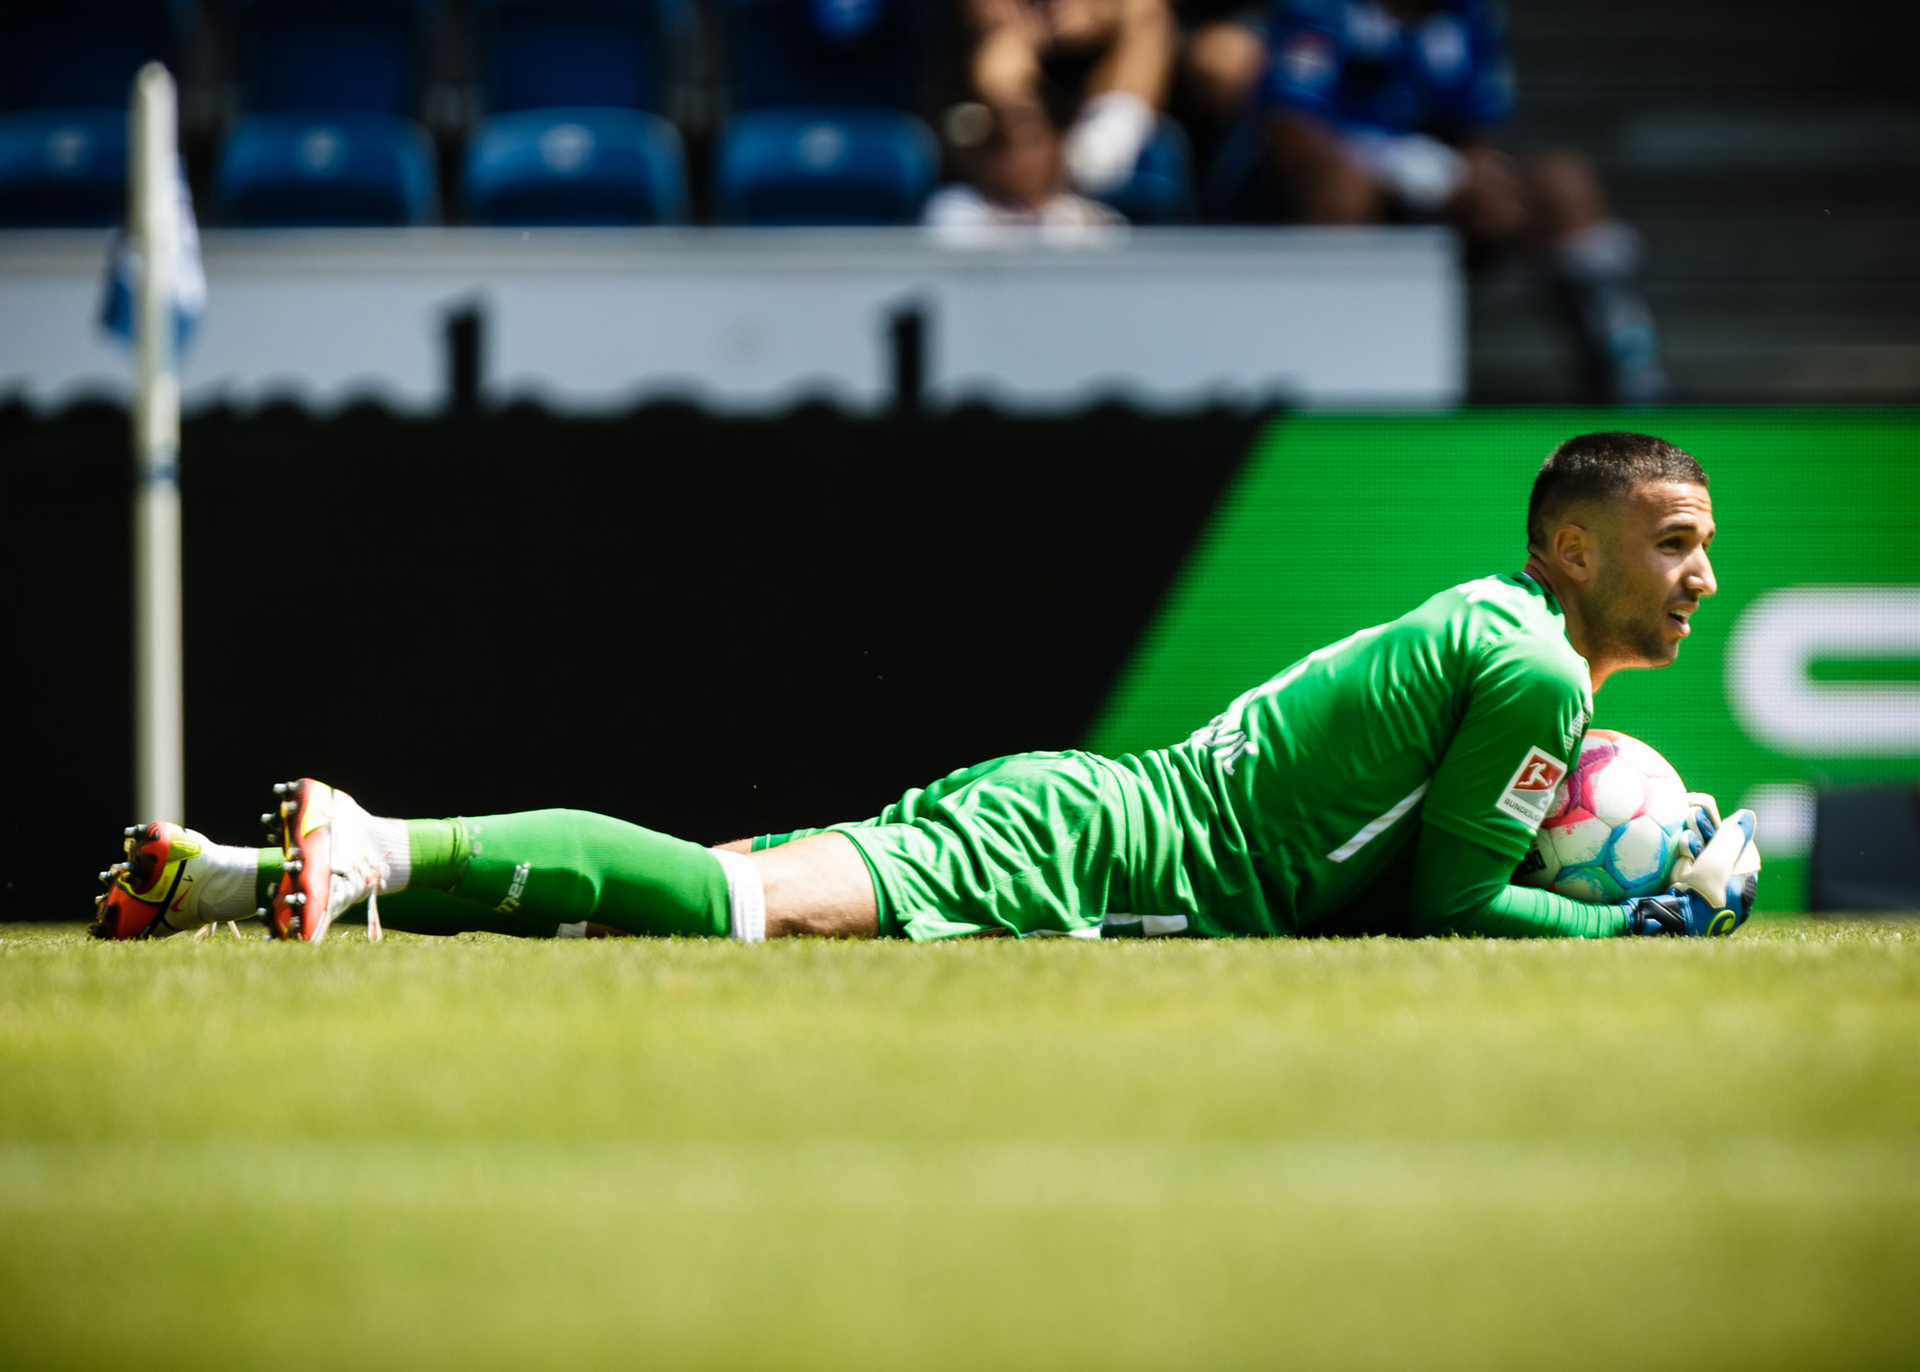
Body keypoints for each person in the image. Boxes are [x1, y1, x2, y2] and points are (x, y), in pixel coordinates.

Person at [92, 432, 1760, 946]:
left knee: (728, 887)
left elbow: (1428, 867)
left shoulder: (1509, 646)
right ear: (1570, 544)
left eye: (1704, 546)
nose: (1699, 573)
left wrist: (1628, 851)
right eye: (1671, 541)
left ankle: (236, 881)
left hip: (1098, 824)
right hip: (1107, 857)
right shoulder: (1535, 670)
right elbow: (1456, 899)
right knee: (733, 904)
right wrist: (1643, 921)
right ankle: (377, 842)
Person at [1249, 0, 1667, 404]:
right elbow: (1292, 140)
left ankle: (1624, 370)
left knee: (1563, 181)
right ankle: (1330, 366)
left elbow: (1481, 134)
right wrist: (1400, 166)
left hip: (1442, 207)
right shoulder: (1317, 11)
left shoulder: (1472, 15)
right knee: (1346, 186)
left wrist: (1478, 182)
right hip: (1327, 206)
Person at [962, 0, 1176, 200]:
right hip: (1019, 41)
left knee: (1145, 9)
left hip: (1107, 59)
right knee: (1002, 60)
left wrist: (1105, 12)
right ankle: (1024, 173)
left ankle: (1090, 161)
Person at [924, 97, 1126, 243]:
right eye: (1003, 144)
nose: (1020, 157)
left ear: (1056, 148)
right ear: (985, 155)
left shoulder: (1095, 221)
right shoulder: (955, 209)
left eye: (1033, 143)